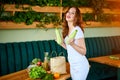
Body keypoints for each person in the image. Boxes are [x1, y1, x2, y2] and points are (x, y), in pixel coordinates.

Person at [60, 7, 89, 80]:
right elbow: (70, 49)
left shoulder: (77, 30)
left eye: (72, 13)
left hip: (80, 66)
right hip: (73, 65)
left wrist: (72, 44)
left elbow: (83, 51)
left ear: (76, 17)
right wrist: (61, 43)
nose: (69, 14)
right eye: (68, 12)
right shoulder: (67, 30)